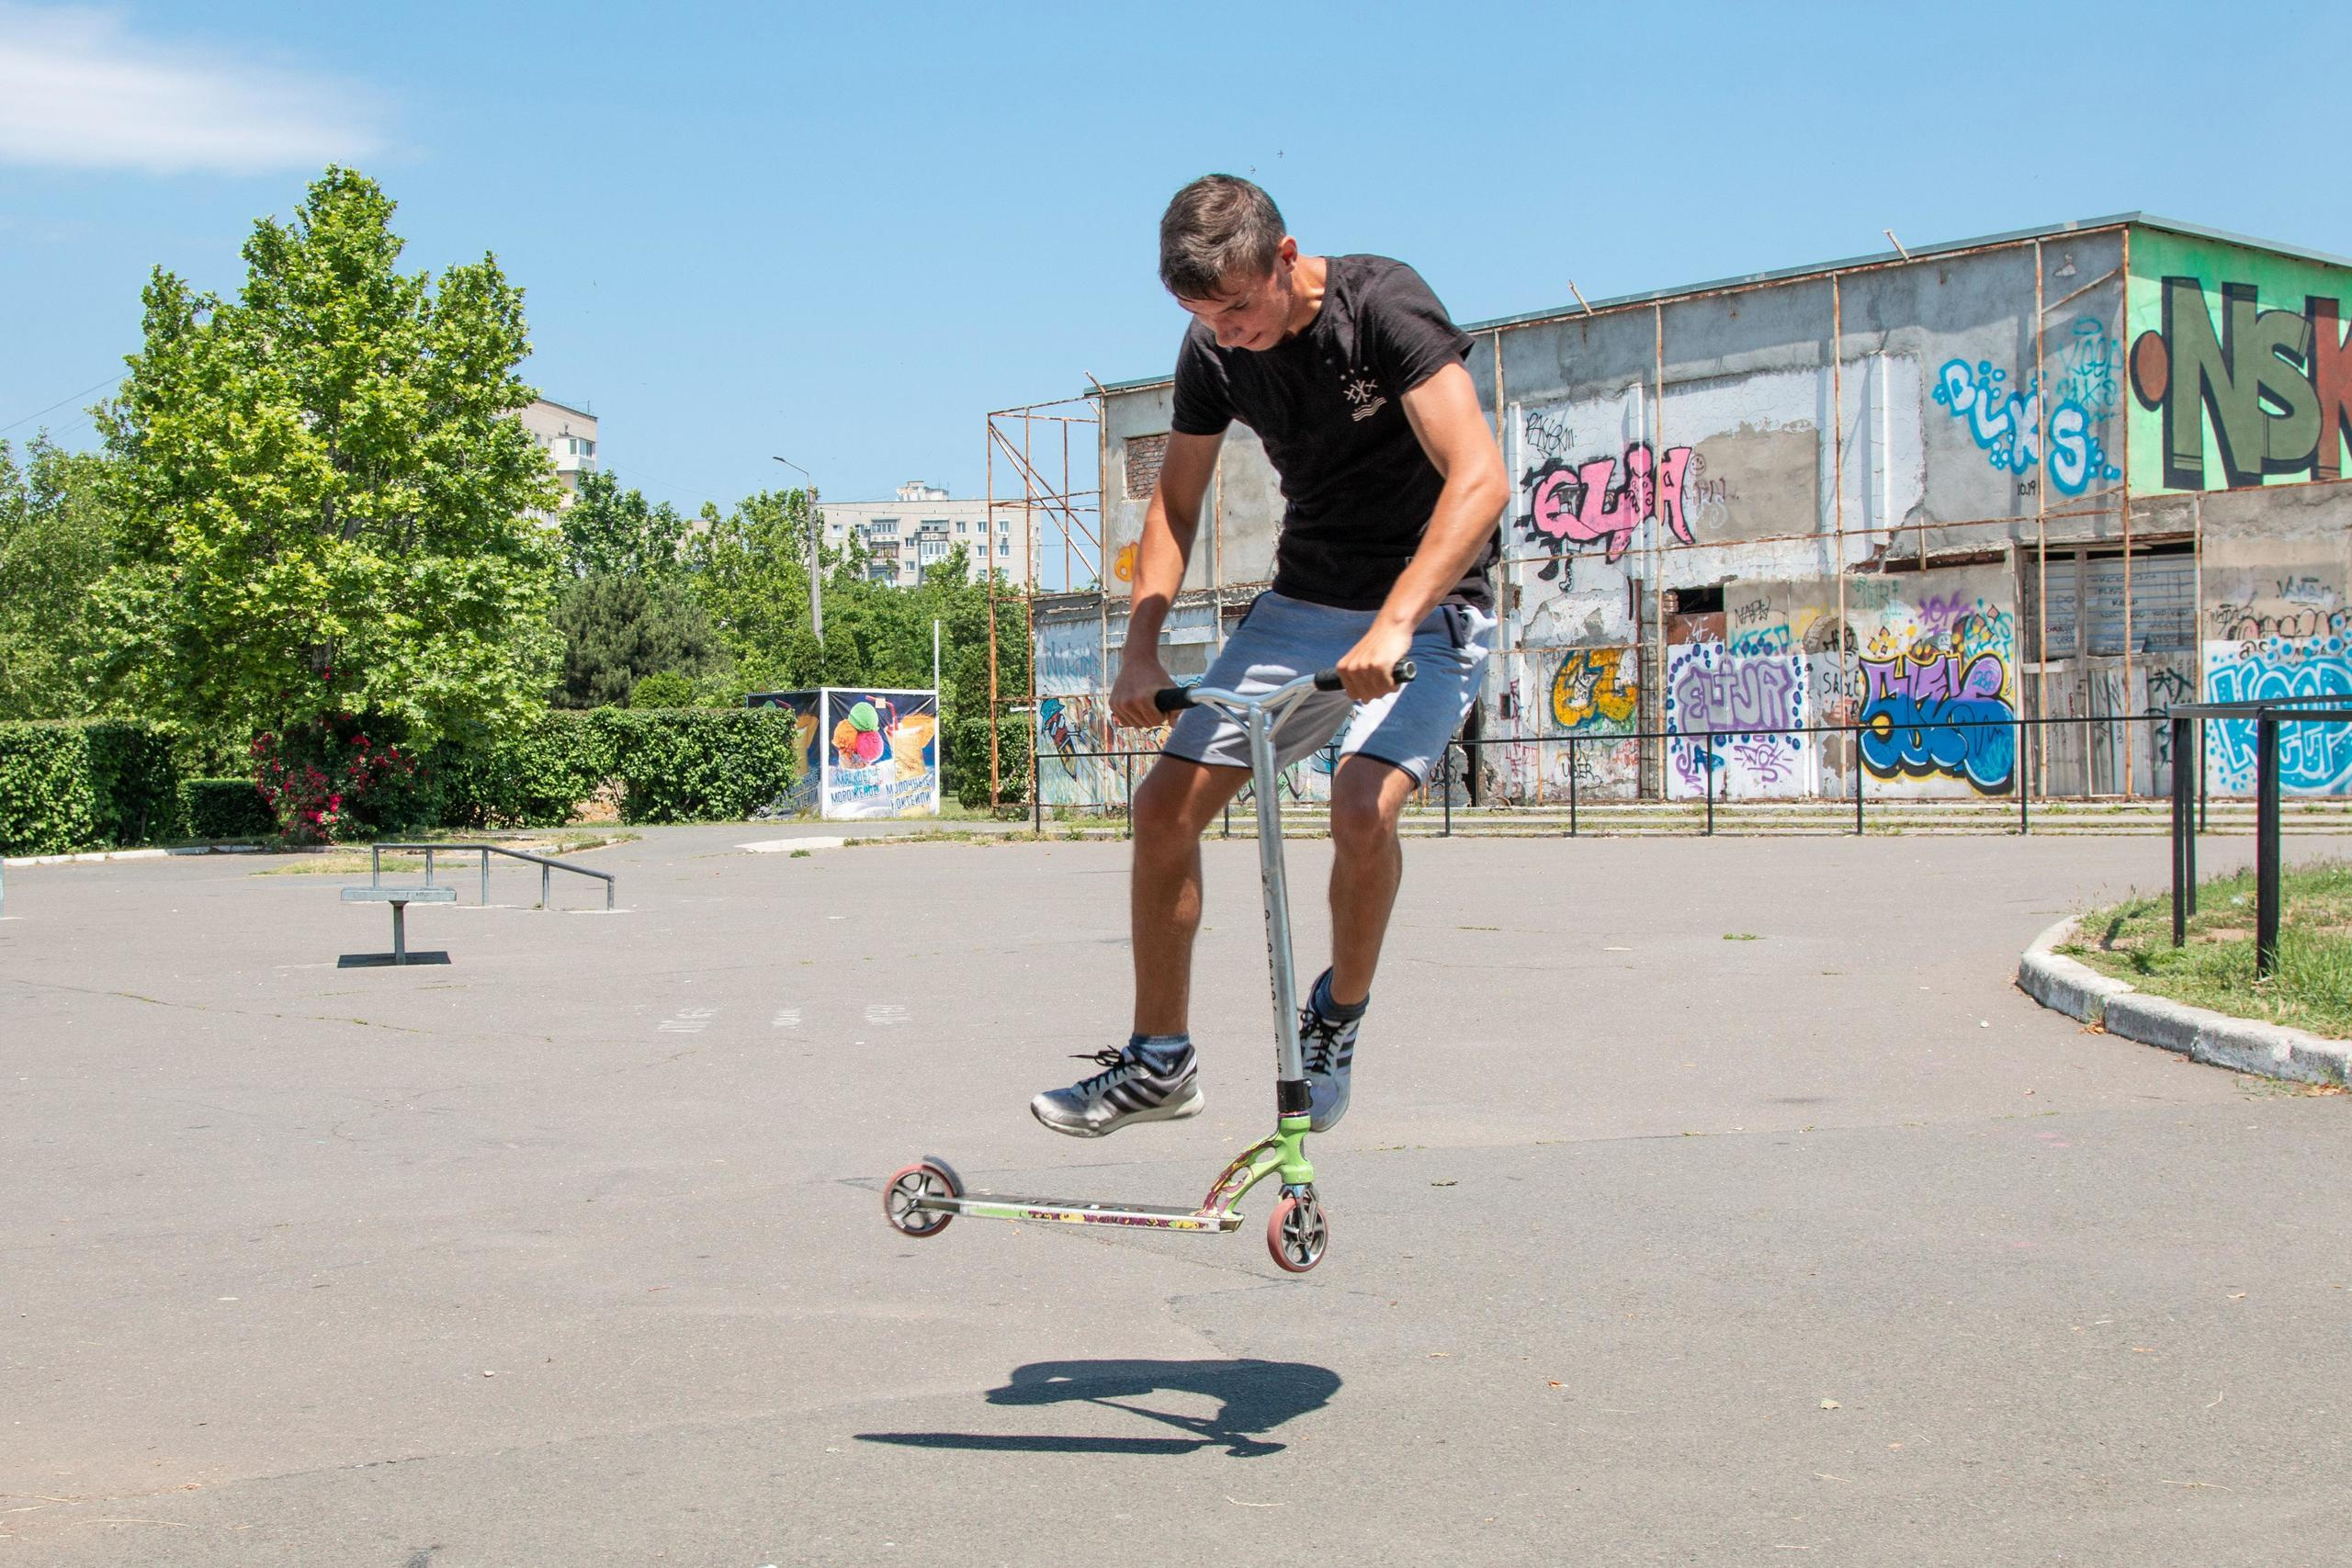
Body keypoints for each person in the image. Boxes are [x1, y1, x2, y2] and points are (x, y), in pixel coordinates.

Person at [1032, 175, 1509, 1139]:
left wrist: (1394, 621)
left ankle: (1336, 1016)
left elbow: (1481, 477)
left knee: (1359, 805)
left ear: (1287, 257)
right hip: (1303, 601)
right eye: (1204, 315)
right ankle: (1159, 1062)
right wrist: (1138, 649)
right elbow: (1173, 502)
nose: (1230, 333)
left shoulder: (1382, 307)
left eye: (1242, 308)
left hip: (1428, 601)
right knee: (1163, 806)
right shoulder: (1213, 349)